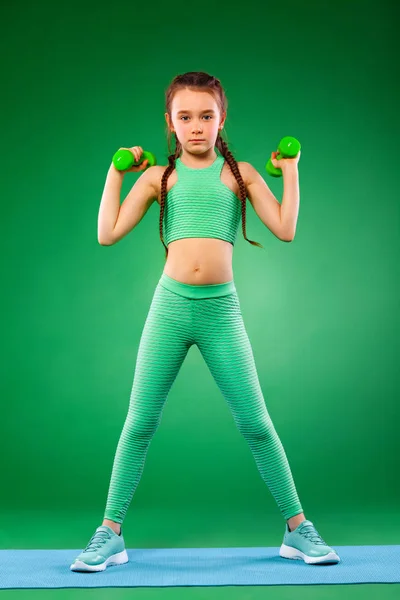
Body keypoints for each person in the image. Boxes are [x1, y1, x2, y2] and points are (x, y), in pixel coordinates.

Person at [70, 71, 340, 572]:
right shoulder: (159, 179)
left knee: (256, 423)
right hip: (169, 308)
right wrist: (116, 171)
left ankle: (298, 529)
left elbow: (284, 228)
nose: (197, 126)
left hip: (221, 311)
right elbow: (107, 233)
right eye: (185, 117)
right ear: (170, 124)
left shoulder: (243, 175)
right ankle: (109, 534)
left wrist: (293, 169)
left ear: (222, 120)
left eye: (207, 116)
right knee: (139, 423)